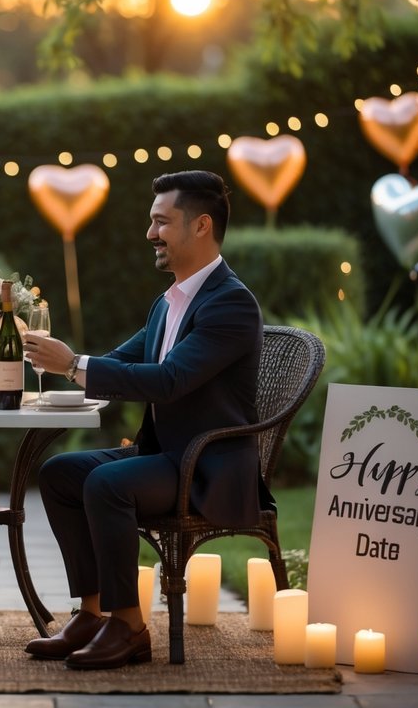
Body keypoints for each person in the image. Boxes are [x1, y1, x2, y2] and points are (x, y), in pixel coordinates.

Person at [22, 170, 264, 670]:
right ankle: (91, 613)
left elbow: (169, 379)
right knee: (60, 474)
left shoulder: (231, 303)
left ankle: (129, 627)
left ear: (200, 226)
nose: (150, 233)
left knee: (108, 483)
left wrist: (72, 364)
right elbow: (123, 363)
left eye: (161, 222)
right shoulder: (170, 302)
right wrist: (60, 363)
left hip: (208, 466)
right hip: (167, 454)